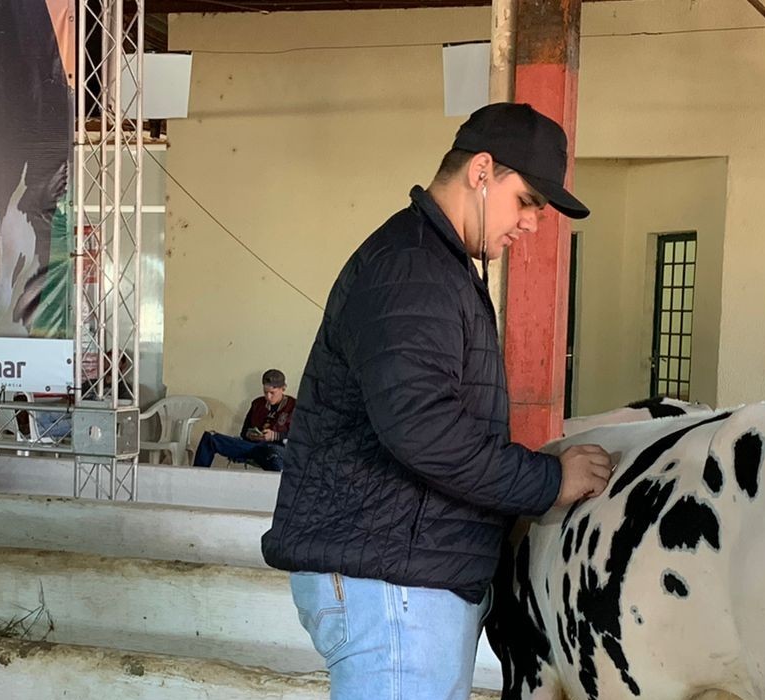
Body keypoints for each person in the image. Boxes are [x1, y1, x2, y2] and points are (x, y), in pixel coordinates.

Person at [260, 102, 617, 699]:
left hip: (403, 573)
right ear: (482, 171)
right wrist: (547, 481)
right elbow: (424, 430)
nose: (533, 223)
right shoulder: (413, 268)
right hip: (392, 584)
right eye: (528, 200)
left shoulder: (434, 262)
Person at [193, 369, 296, 472]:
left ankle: (279, 485)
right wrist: (251, 435)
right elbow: (244, 432)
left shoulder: (294, 406)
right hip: (252, 447)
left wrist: (274, 436)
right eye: (266, 392)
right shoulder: (257, 404)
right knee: (210, 438)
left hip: (276, 449)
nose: (268, 397)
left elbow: (301, 436)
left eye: (272, 393)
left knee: (272, 453)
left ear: (283, 388)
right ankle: (195, 478)